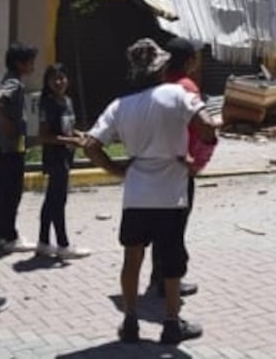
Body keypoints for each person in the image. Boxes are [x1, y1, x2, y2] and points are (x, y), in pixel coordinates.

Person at [83, 38, 219, 345]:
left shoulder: (120, 105)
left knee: (132, 257)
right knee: (171, 262)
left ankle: (130, 321)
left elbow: (91, 145)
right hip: (171, 194)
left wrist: (116, 169)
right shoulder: (179, 94)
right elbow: (208, 127)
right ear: (161, 68)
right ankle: (171, 323)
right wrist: (196, 160)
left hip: (136, 195)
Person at [146, 37, 214, 298]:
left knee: (160, 226)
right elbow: (203, 128)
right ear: (190, 61)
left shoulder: (158, 85)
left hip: (155, 166)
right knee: (175, 229)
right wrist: (198, 163)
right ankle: (169, 282)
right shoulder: (187, 88)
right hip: (179, 167)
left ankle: (157, 277)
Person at [0, 42, 37, 253]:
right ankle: (9, 237)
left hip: (1, 146)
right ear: (19, 63)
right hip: (10, 147)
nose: (33, 65)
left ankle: (1, 236)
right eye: (30, 61)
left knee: (1, 193)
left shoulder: (6, 78)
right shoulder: (14, 83)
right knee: (11, 193)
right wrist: (7, 122)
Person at [35, 64, 90, 260]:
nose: (59, 82)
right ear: (47, 82)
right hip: (55, 158)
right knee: (58, 201)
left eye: (62, 77)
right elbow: (44, 136)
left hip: (66, 156)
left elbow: (67, 128)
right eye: (54, 78)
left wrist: (79, 134)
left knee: (51, 200)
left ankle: (43, 243)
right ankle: (63, 245)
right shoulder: (47, 104)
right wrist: (71, 141)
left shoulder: (67, 101)